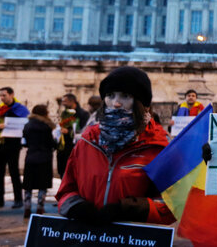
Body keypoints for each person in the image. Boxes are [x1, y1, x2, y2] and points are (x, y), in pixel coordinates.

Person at [56, 66, 176, 225]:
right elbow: (66, 190)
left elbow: (172, 203)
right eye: (110, 95)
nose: (116, 103)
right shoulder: (87, 141)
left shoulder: (158, 146)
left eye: (125, 96)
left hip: (134, 238)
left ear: (142, 104)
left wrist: (130, 209)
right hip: (88, 236)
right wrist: (76, 206)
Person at [22, 104, 56, 218]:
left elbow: (25, 142)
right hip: (44, 158)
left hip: (31, 157)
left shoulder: (27, 125)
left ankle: (27, 207)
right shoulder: (47, 126)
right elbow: (51, 143)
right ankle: (40, 207)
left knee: (28, 184)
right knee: (42, 184)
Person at [0, 86, 30, 209]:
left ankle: (18, 199)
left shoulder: (20, 108)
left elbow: (24, 124)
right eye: (0, 95)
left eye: (4, 95)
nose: (2, 98)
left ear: (12, 95)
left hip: (13, 145)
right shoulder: (0, 109)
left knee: (14, 172)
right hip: (0, 145)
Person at [56, 94, 81, 177]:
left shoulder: (82, 114)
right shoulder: (64, 113)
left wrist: (69, 131)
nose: (63, 103)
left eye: (65, 101)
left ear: (72, 101)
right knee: (61, 168)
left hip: (73, 146)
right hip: (62, 146)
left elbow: (83, 130)